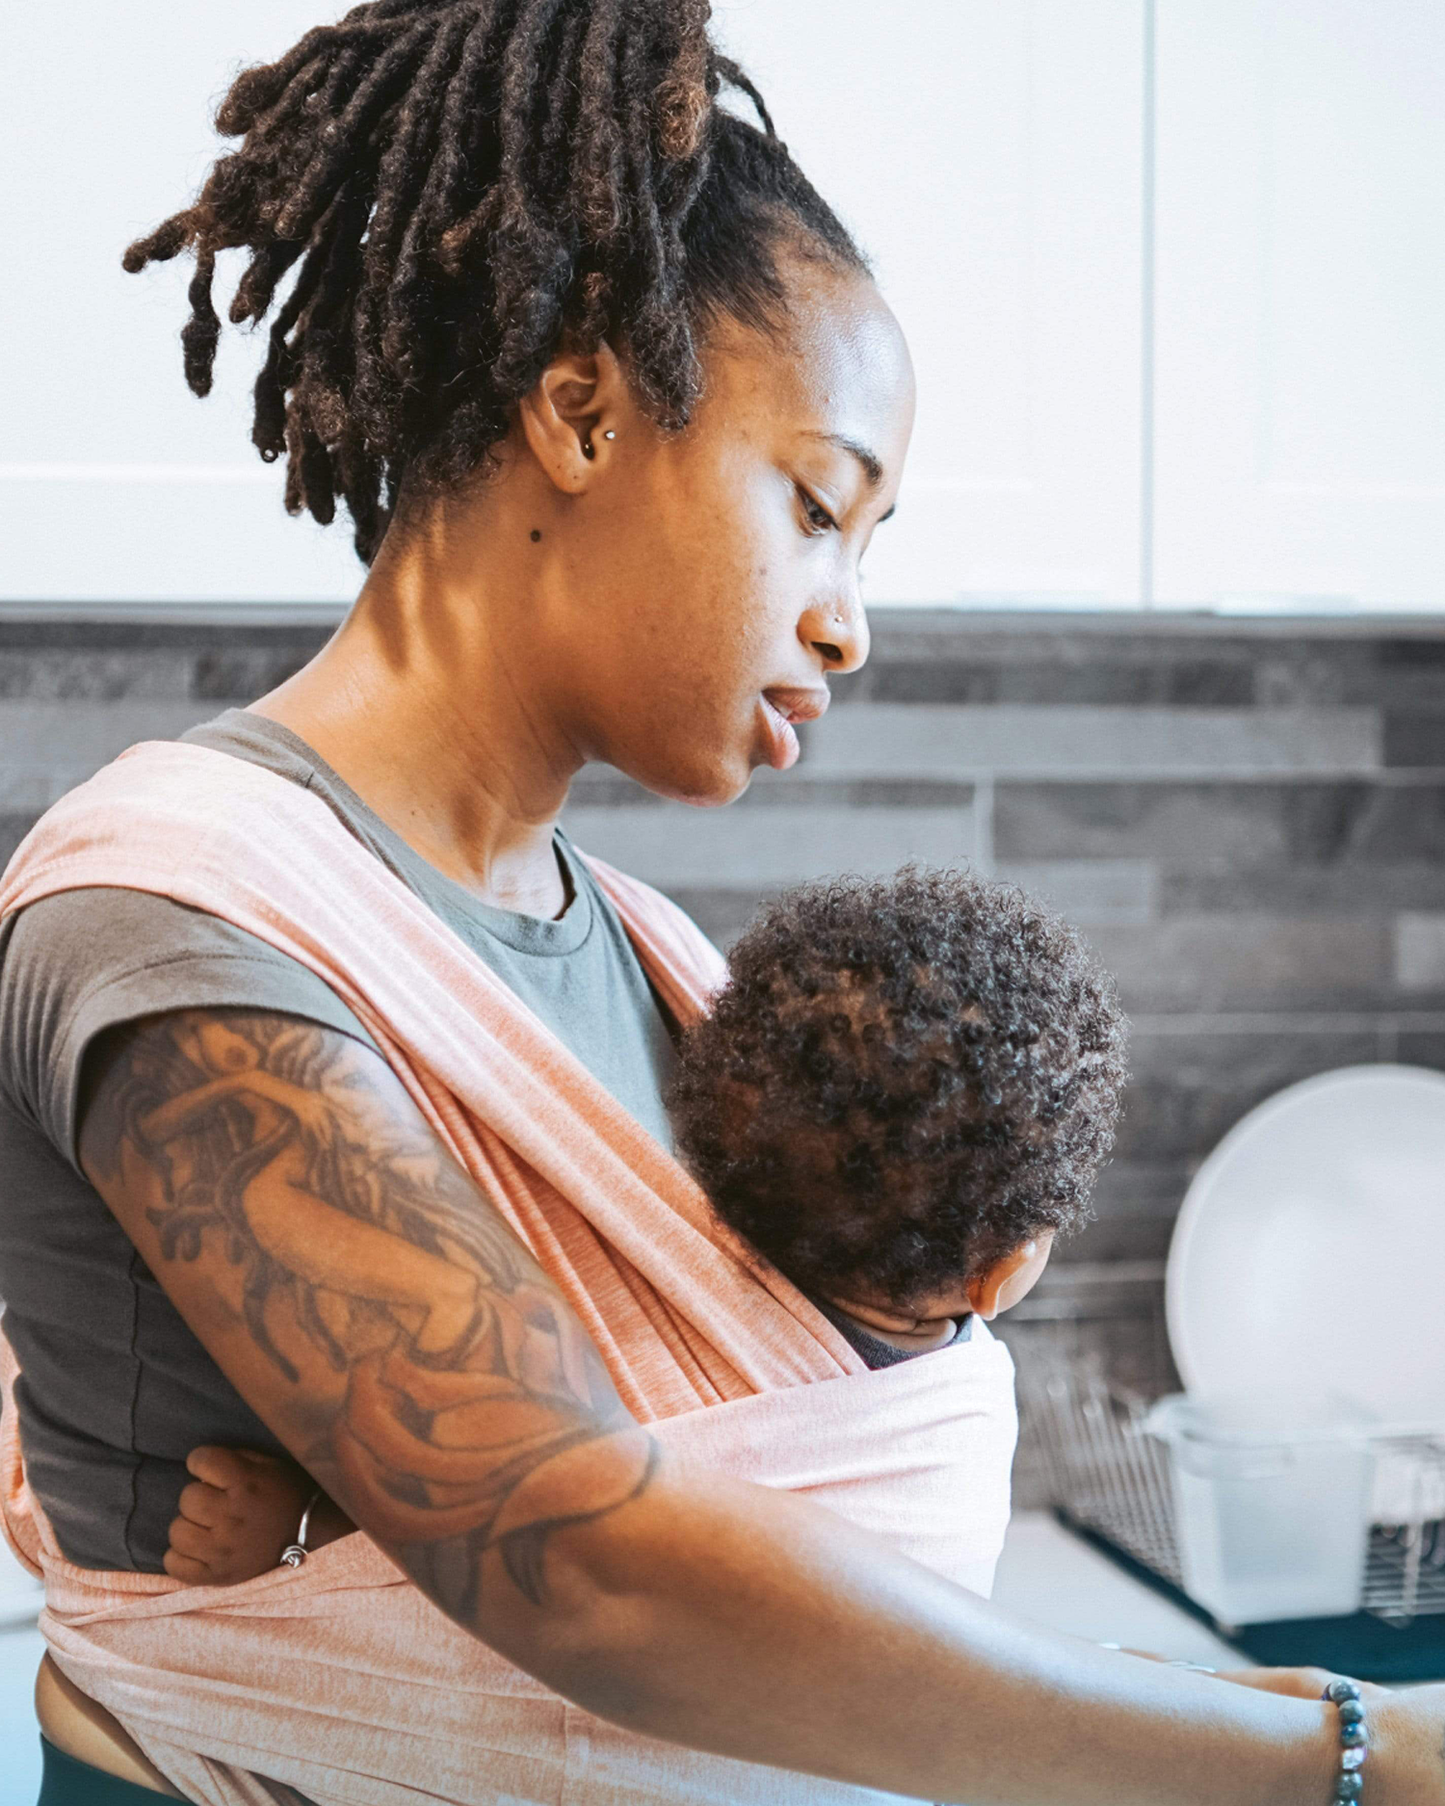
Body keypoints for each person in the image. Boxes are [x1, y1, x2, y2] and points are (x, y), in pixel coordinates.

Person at [1, 1, 1443, 1801]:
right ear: (582, 411)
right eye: (820, 506)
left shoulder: (656, 964)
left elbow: (801, 1494)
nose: (851, 621)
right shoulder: (176, 912)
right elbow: (582, 1558)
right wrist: (1340, 1755)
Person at [155, 866, 1127, 1588]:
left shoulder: (612, 1330)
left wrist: (307, 1529)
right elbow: (600, 1574)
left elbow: (526, 1534)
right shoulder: (938, 1422)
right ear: (1000, 1274)